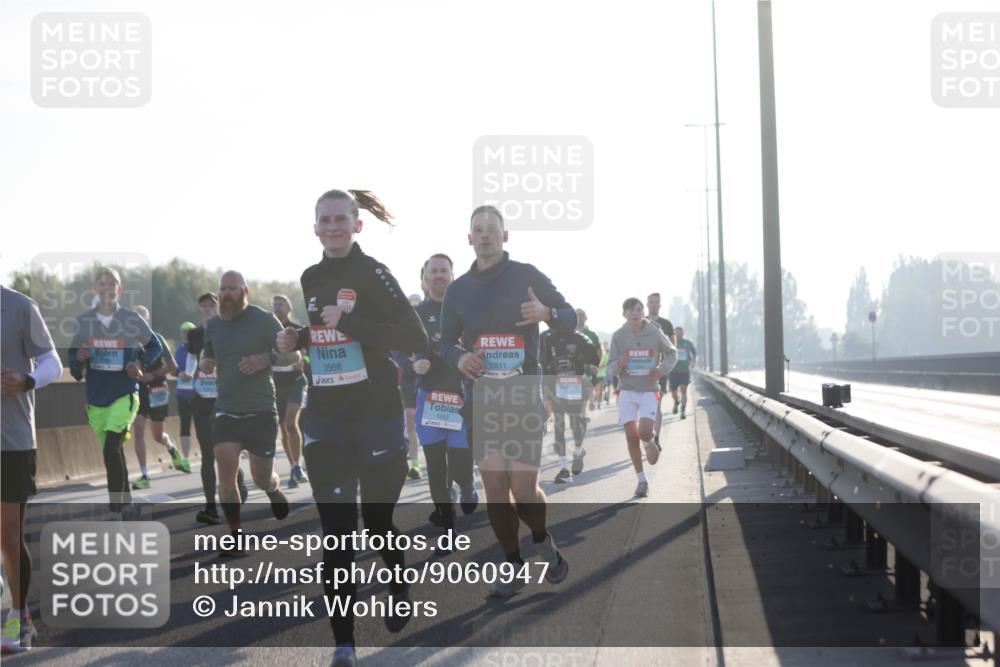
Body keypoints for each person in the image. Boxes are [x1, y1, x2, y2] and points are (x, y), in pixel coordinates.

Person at [275, 189, 428, 667]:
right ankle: (344, 643)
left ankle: (397, 578)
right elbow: (326, 333)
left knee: (379, 525)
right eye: (325, 219)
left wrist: (353, 321)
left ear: (357, 225)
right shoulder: (310, 276)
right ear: (315, 226)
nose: (333, 226)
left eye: (342, 218)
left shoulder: (375, 273)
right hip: (326, 419)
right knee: (337, 536)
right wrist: (297, 337)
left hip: (378, 416)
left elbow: (411, 336)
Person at [439, 205, 574, 598]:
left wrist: (548, 312)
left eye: (491, 229)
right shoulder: (458, 289)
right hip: (483, 397)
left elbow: (569, 315)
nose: (485, 235)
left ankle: (542, 539)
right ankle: (512, 566)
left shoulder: (526, 275)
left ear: (505, 235)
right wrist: (459, 357)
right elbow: (445, 342)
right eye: (477, 229)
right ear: (469, 238)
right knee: (496, 487)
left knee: (523, 488)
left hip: (523, 394)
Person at [201, 271, 296, 554]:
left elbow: (294, 355)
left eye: (232, 288)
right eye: (222, 289)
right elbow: (208, 352)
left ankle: (272, 489)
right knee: (226, 476)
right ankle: (236, 536)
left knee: (260, 476)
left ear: (245, 291)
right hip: (226, 409)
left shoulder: (264, 319)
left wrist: (264, 359)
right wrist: (206, 361)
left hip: (261, 409)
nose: (226, 294)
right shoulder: (214, 324)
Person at [68, 267, 163, 517]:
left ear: (119, 289)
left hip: (124, 393)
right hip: (96, 397)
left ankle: (116, 505)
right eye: (102, 284)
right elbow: (73, 357)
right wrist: (79, 358)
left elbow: (155, 345)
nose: (107, 288)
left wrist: (140, 365)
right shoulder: (84, 322)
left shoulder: (131, 319)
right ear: (94, 290)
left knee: (111, 449)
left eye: (112, 284)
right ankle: (129, 504)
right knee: (114, 450)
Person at [1, 285, 62, 653]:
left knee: (9, 535)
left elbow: (52, 360)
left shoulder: (20, 306)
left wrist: (28, 380)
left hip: (12, 440)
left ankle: (19, 617)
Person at [412, 253, 478, 542]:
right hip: (429, 400)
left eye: (444, 271)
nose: (439, 276)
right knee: (436, 467)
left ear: (452, 276)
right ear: (425, 278)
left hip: (460, 400)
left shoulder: (465, 309)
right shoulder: (414, 314)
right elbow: (399, 349)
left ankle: (465, 486)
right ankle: (448, 527)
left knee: (462, 465)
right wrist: (412, 364)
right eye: (433, 271)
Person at [185, 293, 248, 525]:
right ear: (200, 309)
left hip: (226, 399)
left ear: (218, 307)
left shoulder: (228, 330)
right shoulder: (195, 334)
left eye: (212, 305)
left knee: (228, 452)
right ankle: (211, 506)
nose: (208, 309)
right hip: (202, 399)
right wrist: (190, 371)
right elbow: (191, 359)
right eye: (204, 306)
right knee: (207, 454)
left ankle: (238, 479)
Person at [607, 297, 677, 498]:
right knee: (631, 436)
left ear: (643, 312)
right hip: (627, 390)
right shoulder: (618, 337)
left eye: (638, 309)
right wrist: (620, 362)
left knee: (644, 431)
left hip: (648, 389)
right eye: (631, 310)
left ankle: (649, 442)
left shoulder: (654, 332)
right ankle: (641, 480)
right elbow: (611, 366)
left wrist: (662, 369)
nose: (635, 313)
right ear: (625, 315)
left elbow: (671, 353)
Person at [131, 305, 190, 489]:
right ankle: (144, 475)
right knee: (138, 428)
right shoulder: (127, 342)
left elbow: (172, 365)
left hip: (157, 389)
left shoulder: (157, 339)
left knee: (157, 435)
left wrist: (153, 374)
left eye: (141, 318)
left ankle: (171, 448)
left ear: (147, 320)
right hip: (138, 390)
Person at [539, 323, 601, 483]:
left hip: (575, 386)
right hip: (555, 387)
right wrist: (545, 397)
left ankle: (579, 450)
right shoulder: (546, 338)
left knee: (575, 424)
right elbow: (544, 368)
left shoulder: (578, 337)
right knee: (558, 426)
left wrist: (585, 354)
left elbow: (594, 358)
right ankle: (563, 469)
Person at [271, 294, 308, 488]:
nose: (277, 307)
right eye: (274, 304)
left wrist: (301, 359)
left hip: (295, 381)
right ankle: (294, 466)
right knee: (284, 428)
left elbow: (306, 352)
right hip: (276, 383)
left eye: (281, 304)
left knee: (291, 422)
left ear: (289, 307)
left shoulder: (297, 329)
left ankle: (299, 465)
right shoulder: (268, 330)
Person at [646, 292, 676, 449]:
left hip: (659, 371)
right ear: (647, 304)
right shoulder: (640, 322)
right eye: (651, 301)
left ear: (660, 304)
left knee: (656, 405)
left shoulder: (666, 324)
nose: (653, 304)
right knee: (646, 406)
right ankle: (647, 434)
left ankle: (655, 438)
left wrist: (663, 368)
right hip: (642, 372)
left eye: (656, 302)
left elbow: (672, 349)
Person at [173, 322, 197, 467]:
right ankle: (186, 459)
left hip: (199, 394)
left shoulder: (199, 349)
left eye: (189, 332)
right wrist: (177, 373)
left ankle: (209, 454)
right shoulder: (179, 350)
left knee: (203, 426)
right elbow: (174, 370)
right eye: (184, 332)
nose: (186, 334)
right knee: (185, 425)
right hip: (182, 393)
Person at [669, 326, 697, 420]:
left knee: (683, 389)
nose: (678, 334)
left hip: (684, 371)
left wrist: (693, 361)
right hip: (673, 371)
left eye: (680, 333)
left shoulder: (688, 343)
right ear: (674, 334)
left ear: (683, 333)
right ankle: (676, 401)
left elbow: (694, 353)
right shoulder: (670, 343)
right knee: (673, 393)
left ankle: (683, 410)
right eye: (676, 333)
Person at [590, 341, 609, 410]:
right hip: (593, 375)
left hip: (601, 375)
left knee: (600, 390)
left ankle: (598, 403)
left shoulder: (605, 355)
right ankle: (594, 401)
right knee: (594, 391)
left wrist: (602, 366)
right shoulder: (591, 355)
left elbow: (607, 364)